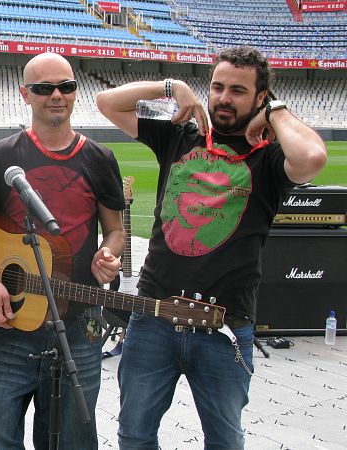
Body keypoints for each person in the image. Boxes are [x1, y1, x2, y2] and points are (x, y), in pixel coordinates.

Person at [95, 46, 327, 449]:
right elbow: (106, 102)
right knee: (134, 433)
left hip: (224, 327)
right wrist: (172, 86)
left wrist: (275, 112)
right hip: (153, 317)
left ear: (260, 97)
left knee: (223, 440)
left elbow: (311, 156)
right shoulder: (181, 135)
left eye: (238, 90)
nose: (222, 97)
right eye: (217, 86)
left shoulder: (269, 158)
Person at [0, 52, 126, 450]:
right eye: (44, 88)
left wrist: (108, 255)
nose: (57, 95)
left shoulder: (100, 158)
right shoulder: (2, 155)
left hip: (80, 321)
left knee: (74, 440)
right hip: (13, 326)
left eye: (66, 86)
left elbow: (115, 231)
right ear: (25, 94)